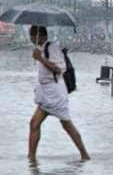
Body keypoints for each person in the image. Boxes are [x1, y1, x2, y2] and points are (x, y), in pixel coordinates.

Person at [27, 25, 90, 162]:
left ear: (41, 35)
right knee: (34, 123)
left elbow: (58, 69)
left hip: (56, 94)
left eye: (32, 35)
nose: (31, 38)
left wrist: (41, 59)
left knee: (66, 124)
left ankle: (84, 154)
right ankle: (31, 158)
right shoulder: (41, 49)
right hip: (45, 94)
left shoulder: (52, 48)